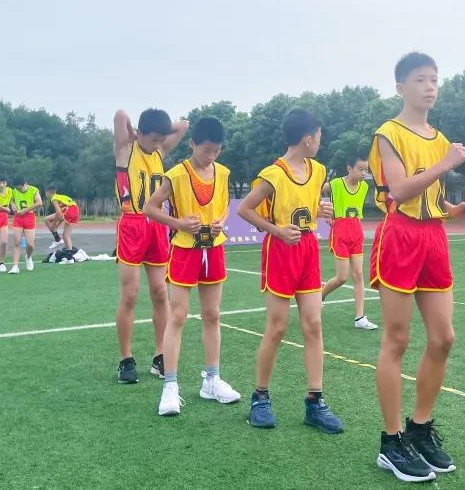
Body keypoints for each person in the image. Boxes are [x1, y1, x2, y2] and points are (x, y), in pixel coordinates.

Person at [369, 52, 465, 483]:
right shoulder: (389, 133)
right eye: (420, 79)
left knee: (444, 337)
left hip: (434, 237)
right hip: (400, 236)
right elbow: (400, 190)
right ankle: (391, 442)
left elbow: (430, 194)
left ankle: (419, 428)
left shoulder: (439, 138)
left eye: (434, 79)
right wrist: (446, 162)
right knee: (397, 339)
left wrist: (452, 209)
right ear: (401, 87)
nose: (430, 86)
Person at [237, 108, 344, 434]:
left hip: (307, 249)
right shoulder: (274, 173)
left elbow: (306, 205)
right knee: (277, 327)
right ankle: (260, 398)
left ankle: (315, 402)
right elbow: (244, 209)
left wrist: (320, 210)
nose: (320, 142)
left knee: (313, 323)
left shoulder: (318, 171)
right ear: (308, 138)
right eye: (319, 136)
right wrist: (276, 230)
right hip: (280, 252)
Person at [145, 116, 241, 415]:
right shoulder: (176, 174)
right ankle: (170, 385)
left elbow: (225, 207)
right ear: (192, 144)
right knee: (178, 316)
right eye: (206, 150)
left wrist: (221, 222)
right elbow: (150, 208)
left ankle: (211, 380)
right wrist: (179, 224)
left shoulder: (223, 173)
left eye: (216, 150)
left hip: (214, 249)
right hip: (185, 251)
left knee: (213, 314)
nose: (211, 155)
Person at [113, 108, 188, 384]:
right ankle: (126, 359)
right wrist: (133, 132)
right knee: (130, 294)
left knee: (159, 292)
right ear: (140, 133)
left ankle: (160, 355)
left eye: (161, 139)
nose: (158, 143)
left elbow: (183, 126)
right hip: (132, 225)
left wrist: (162, 132)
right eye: (153, 138)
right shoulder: (125, 150)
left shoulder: (159, 151)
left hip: (157, 226)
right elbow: (120, 115)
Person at [320, 157, 378, 330]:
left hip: (356, 231)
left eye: (366, 170)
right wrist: (324, 211)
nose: (363, 173)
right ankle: (320, 295)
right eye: (360, 169)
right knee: (342, 277)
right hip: (340, 231)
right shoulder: (335, 184)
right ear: (349, 168)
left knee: (359, 274)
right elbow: (314, 190)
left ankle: (360, 318)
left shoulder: (364, 187)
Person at [8, 179, 43, 274]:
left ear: (25, 184)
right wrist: (12, 204)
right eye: (17, 188)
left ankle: (28, 257)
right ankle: (15, 266)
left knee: (30, 244)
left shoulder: (33, 190)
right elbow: (11, 200)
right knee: (17, 242)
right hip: (18, 217)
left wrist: (26, 210)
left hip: (29, 217)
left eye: (20, 188)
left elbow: (39, 203)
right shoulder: (14, 191)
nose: (18, 190)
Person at [44, 187, 79, 252]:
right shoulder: (60, 197)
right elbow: (61, 215)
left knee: (46, 219)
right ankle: (69, 254)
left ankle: (57, 239)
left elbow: (58, 212)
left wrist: (54, 224)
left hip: (69, 211)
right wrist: (56, 225)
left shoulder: (54, 198)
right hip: (75, 211)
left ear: (48, 193)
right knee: (65, 236)